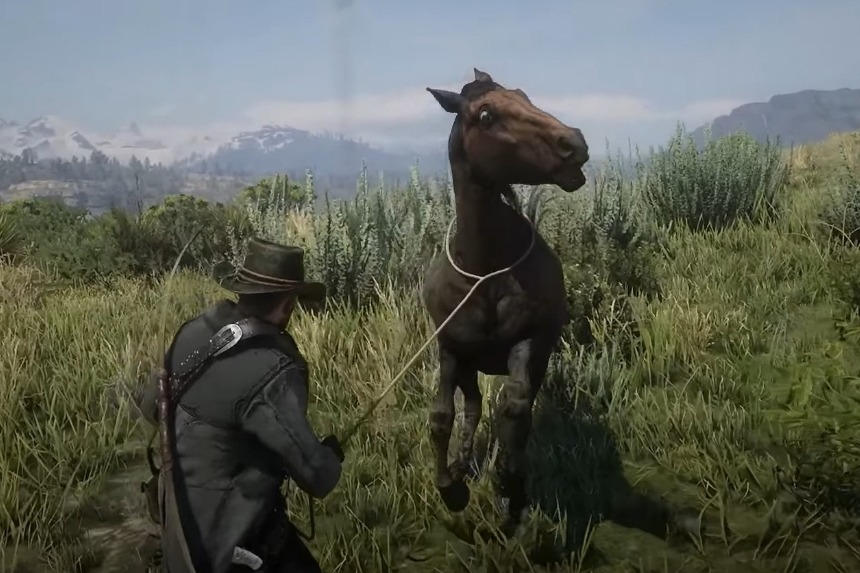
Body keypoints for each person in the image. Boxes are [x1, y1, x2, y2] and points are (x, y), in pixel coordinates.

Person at [137, 236, 344, 573]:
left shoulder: (192, 332)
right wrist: (331, 456)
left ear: (243, 290)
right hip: (225, 550)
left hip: (178, 526)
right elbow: (316, 477)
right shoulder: (271, 369)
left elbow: (150, 408)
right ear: (287, 305)